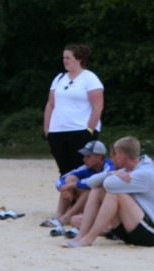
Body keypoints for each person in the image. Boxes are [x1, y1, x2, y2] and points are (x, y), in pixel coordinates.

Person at [65, 136, 154, 248]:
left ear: (122, 156)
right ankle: (81, 235)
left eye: (115, 154)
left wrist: (112, 175)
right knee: (97, 190)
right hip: (130, 229)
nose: (112, 158)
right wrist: (110, 173)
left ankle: (89, 238)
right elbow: (91, 183)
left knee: (115, 193)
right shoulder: (127, 170)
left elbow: (109, 184)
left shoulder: (144, 173)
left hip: (151, 233)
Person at [43, 44, 104, 177]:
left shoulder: (90, 78)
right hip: (57, 131)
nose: (65, 61)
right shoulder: (59, 78)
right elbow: (50, 104)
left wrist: (90, 130)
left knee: (80, 169)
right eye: (63, 58)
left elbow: (97, 107)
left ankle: (81, 191)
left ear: (79, 59)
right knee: (64, 170)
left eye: (68, 58)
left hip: (80, 130)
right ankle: (67, 191)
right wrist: (47, 129)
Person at [43, 139, 113, 235]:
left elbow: (94, 181)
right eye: (84, 156)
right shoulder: (86, 167)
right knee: (70, 179)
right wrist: (65, 189)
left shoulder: (109, 166)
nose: (84, 159)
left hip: (105, 204)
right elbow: (62, 179)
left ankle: (66, 217)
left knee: (89, 189)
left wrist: (73, 185)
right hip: (90, 204)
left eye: (88, 156)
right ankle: (60, 215)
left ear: (99, 157)